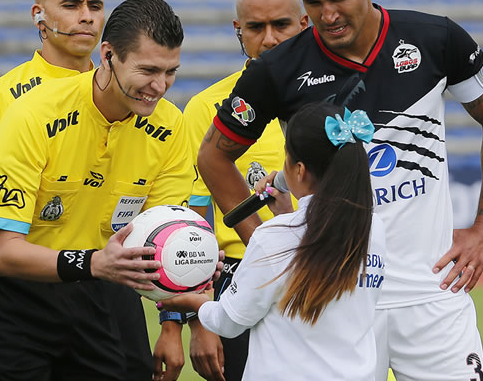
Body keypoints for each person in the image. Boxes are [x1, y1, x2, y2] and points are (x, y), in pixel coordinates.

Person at [198, 0, 483, 380]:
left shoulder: (436, 40)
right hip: (334, 301)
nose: (327, 15)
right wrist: (269, 246)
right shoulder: (278, 70)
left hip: (429, 293)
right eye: (313, 3)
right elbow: (213, 157)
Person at [0, 0, 183, 380]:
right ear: (39, 16)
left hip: (101, 279)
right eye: (71, 4)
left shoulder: (163, 118)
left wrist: (178, 309)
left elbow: (163, 231)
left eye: (95, 5)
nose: (86, 15)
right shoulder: (6, 101)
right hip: (12, 287)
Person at [164, 102, 386, 379]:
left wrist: (198, 302)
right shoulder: (374, 228)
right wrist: (288, 214)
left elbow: (230, 321)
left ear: (299, 170)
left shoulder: (274, 237)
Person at [179, 0, 308, 381]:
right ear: (239, 31)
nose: (269, 39)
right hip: (239, 276)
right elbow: (195, 223)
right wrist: (199, 323)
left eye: (281, 25)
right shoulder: (207, 109)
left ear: (304, 25)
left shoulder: (339, 97)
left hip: (324, 271)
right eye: (256, 27)